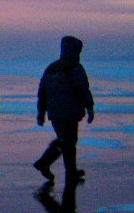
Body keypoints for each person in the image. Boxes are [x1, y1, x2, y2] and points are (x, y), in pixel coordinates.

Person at [34, 36, 95, 185]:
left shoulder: (52, 67)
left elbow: (42, 92)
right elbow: (82, 88)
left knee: (67, 140)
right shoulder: (74, 67)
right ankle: (44, 162)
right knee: (67, 140)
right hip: (69, 112)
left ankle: (71, 171)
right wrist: (90, 107)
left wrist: (41, 112)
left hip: (55, 113)